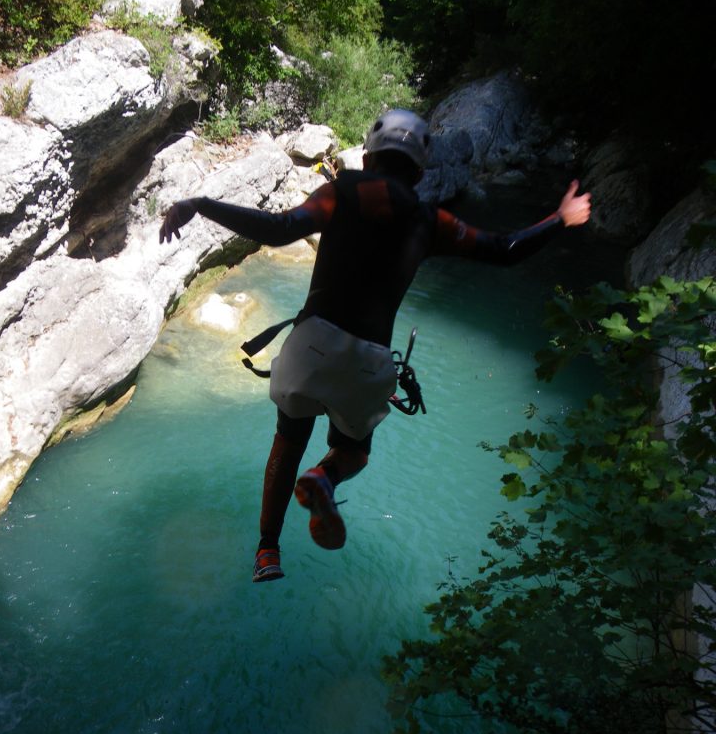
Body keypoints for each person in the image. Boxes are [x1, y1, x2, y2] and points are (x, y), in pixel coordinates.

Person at [159, 109, 591, 583]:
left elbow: (280, 229)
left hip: (311, 348)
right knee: (354, 452)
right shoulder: (430, 221)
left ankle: (267, 552)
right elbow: (505, 250)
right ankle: (325, 477)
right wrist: (560, 218)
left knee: (289, 437)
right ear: (421, 171)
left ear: (366, 157)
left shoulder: (341, 192)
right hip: (368, 363)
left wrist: (201, 202)